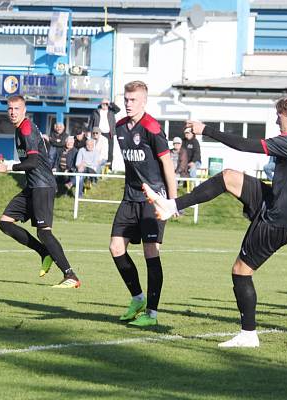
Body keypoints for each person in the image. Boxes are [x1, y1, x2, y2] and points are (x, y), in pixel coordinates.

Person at [143, 95, 287, 347]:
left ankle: (248, 335)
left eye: (279, 118)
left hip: (277, 220)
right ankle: (173, 205)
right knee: (228, 177)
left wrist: (207, 130)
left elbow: (245, 145)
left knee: (240, 271)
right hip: (278, 205)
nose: (277, 122)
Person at [0, 95, 81, 288]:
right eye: (10, 109)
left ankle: (70, 275)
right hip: (32, 186)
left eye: (17, 108)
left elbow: (32, 162)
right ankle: (44, 252)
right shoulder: (18, 129)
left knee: (44, 232)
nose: (13, 112)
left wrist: (7, 167)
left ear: (24, 110)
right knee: (5, 223)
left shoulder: (26, 128)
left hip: (42, 186)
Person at [108, 81, 177, 328]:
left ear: (144, 101)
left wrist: (171, 201)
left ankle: (152, 314)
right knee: (116, 247)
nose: (128, 104)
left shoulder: (152, 128)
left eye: (133, 100)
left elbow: (167, 165)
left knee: (151, 252)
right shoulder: (119, 127)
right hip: (129, 198)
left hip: (152, 199)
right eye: (126, 99)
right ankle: (137, 298)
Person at [89, 98, 120, 166]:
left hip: (109, 134)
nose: (105, 105)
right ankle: (95, 165)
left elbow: (118, 109)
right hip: (98, 134)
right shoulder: (96, 112)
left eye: (106, 104)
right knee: (97, 149)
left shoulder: (111, 111)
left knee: (110, 151)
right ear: (100, 104)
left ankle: (109, 167)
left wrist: (110, 103)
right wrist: (90, 132)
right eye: (103, 103)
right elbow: (91, 123)